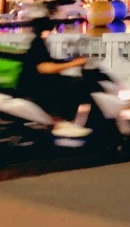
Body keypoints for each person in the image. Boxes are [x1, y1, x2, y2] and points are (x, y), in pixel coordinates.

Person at [16, 10, 91, 138]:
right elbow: (44, 67)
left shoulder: (39, 42)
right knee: (80, 86)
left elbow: (49, 62)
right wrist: (72, 64)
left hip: (37, 82)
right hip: (37, 85)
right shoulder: (38, 44)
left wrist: (70, 61)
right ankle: (67, 122)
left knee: (73, 82)